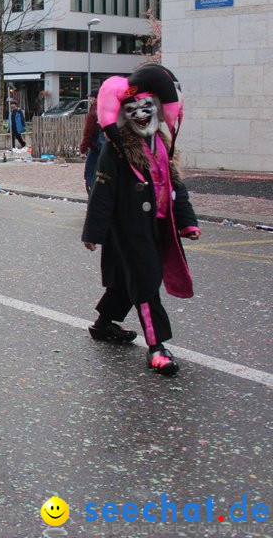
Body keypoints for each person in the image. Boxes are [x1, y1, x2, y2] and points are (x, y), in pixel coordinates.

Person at [82, 65, 199, 376]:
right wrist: (93, 231)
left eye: (146, 107)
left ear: (156, 109)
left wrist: (187, 221)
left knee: (125, 279)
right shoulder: (116, 149)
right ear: (123, 115)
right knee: (146, 282)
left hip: (158, 225)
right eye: (131, 109)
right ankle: (156, 345)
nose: (140, 114)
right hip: (129, 228)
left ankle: (104, 323)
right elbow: (102, 190)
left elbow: (174, 183)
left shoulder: (161, 143)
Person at [79, 97, 103, 195]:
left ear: (94, 98)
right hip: (108, 148)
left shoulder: (93, 113)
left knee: (90, 173)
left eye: (91, 98)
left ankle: (94, 195)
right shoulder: (108, 108)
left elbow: (88, 133)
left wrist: (83, 150)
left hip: (96, 147)